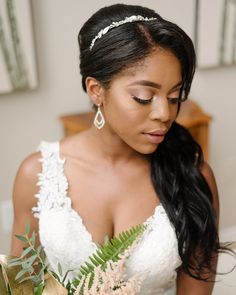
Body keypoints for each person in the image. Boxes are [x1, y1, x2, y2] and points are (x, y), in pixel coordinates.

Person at [10, 3, 231, 294]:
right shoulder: (36, 175)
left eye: (175, 96)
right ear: (95, 90)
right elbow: (20, 286)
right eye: (143, 97)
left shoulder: (193, 176)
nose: (165, 113)